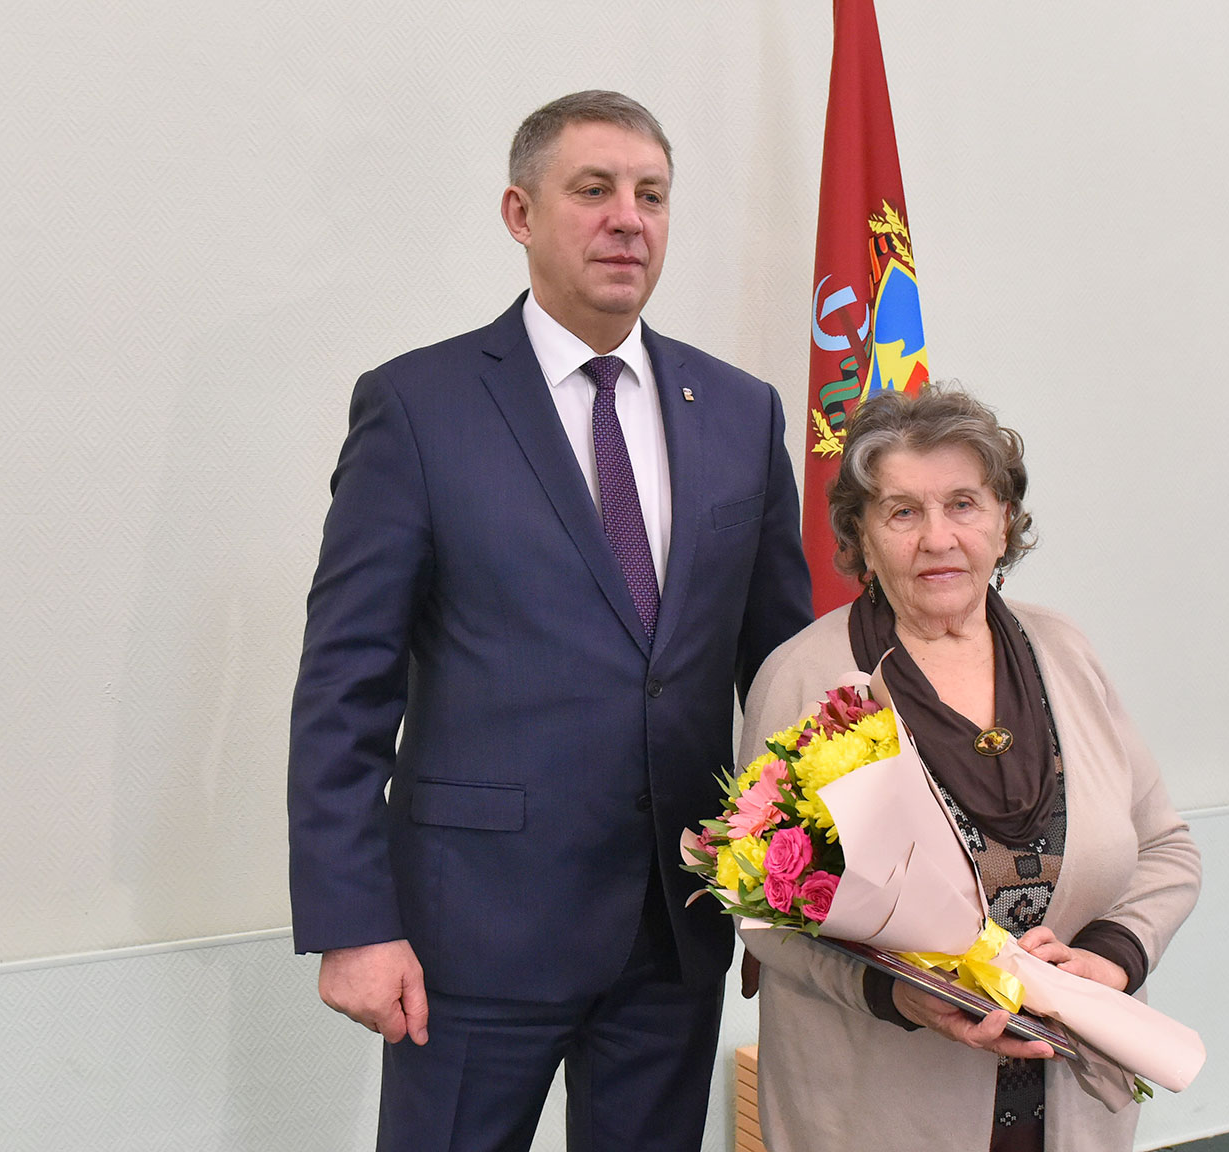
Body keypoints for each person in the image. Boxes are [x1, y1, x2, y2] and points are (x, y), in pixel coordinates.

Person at [287, 90, 813, 1152]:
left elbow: (782, 675)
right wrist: (353, 923)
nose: (628, 219)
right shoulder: (419, 407)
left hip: (675, 931)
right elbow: (345, 686)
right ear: (520, 213)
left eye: (651, 195)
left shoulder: (740, 412)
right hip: (470, 940)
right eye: (594, 190)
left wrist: (792, 892)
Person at [737, 388, 1200, 1152]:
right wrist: (898, 995)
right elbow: (766, 916)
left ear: (1003, 521)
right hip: (878, 1109)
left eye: (963, 504)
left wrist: (1112, 955)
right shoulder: (804, 678)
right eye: (903, 512)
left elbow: (1167, 850)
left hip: (1071, 1106)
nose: (938, 538)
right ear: (860, 535)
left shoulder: (1066, 651)